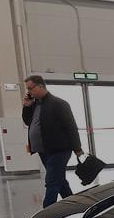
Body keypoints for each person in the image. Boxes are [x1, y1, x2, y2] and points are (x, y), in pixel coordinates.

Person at [22, 75, 84, 208]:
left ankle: (46, 212)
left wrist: (77, 149)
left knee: (51, 181)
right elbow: (28, 122)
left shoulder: (59, 104)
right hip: (43, 150)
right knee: (59, 180)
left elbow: (71, 127)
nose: (29, 92)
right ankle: (74, 206)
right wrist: (27, 107)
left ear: (40, 86)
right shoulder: (34, 105)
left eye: (30, 88)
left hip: (60, 150)